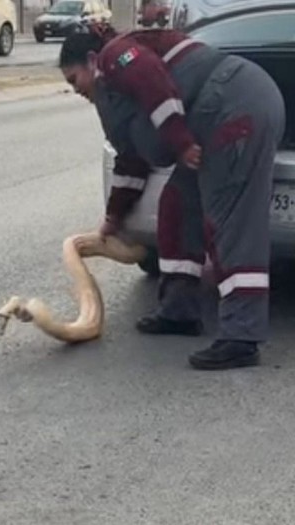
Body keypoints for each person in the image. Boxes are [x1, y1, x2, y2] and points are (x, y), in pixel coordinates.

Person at [57, 24, 284, 370]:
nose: (76, 91)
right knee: (177, 204)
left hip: (236, 107)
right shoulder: (114, 99)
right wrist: (113, 218)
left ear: (91, 61)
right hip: (210, 123)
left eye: (74, 80)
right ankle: (179, 311)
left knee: (231, 223)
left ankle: (242, 337)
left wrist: (179, 141)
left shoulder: (115, 54)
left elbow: (151, 79)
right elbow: (132, 161)